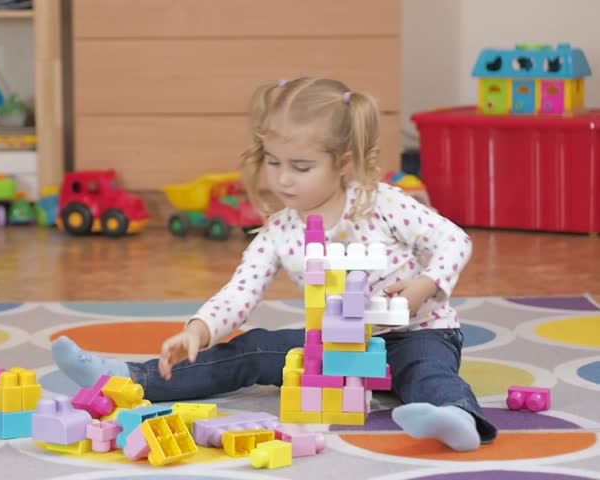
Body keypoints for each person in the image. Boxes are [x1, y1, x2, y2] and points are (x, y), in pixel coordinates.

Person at [52, 76, 497, 451]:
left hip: (417, 332)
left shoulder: (379, 203)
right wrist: (198, 329)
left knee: (425, 369)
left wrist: (425, 284)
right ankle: (128, 379)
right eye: (273, 162)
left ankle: (455, 417)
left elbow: (454, 240)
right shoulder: (280, 230)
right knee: (253, 349)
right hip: (332, 346)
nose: (283, 178)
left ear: (342, 162)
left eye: (301, 167)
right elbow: (240, 292)